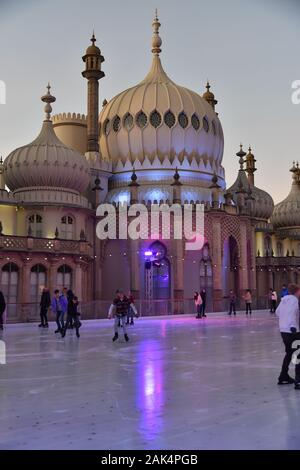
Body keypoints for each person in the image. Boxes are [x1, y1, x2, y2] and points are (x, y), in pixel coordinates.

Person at [276, 283, 300, 388]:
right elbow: (292, 312)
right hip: (293, 331)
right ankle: (298, 380)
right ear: (296, 291)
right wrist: (292, 325)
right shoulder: (294, 300)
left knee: (289, 353)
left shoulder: (283, 300)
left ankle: (283, 376)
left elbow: (277, 312)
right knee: (298, 355)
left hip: (283, 331)